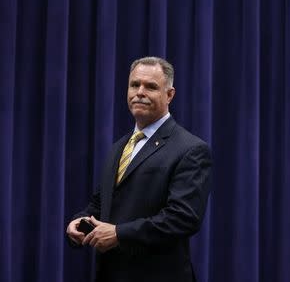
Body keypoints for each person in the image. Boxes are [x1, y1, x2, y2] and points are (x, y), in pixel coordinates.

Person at [66, 56, 212, 282]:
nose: (140, 92)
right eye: (134, 85)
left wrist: (118, 234)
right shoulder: (120, 147)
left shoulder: (191, 149)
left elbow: (182, 218)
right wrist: (80, 221)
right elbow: (101, 203)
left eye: (151, 86)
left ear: (169, 95)